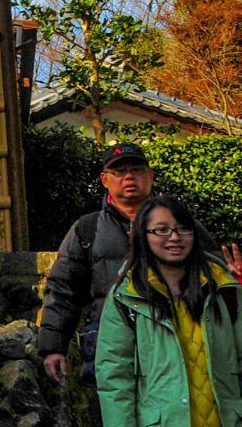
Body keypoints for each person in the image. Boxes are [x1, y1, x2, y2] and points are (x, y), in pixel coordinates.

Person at [39, 142, 228, 421]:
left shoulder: (182, 226)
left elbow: (215, 280)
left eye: (137, 170)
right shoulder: (87, 229)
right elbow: (64, 290)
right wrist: (53, 346)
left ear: (150, 176)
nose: (129, 177)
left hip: (173, 349)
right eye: (119, 171)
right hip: (109, 348)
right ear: (105, 180)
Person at [95, 195, 242, 427]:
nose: (175, 237)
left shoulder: (224, 290)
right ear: (143, 235)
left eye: (183, 229)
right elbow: (114, 379)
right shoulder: (127, 297)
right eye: (161, 230)